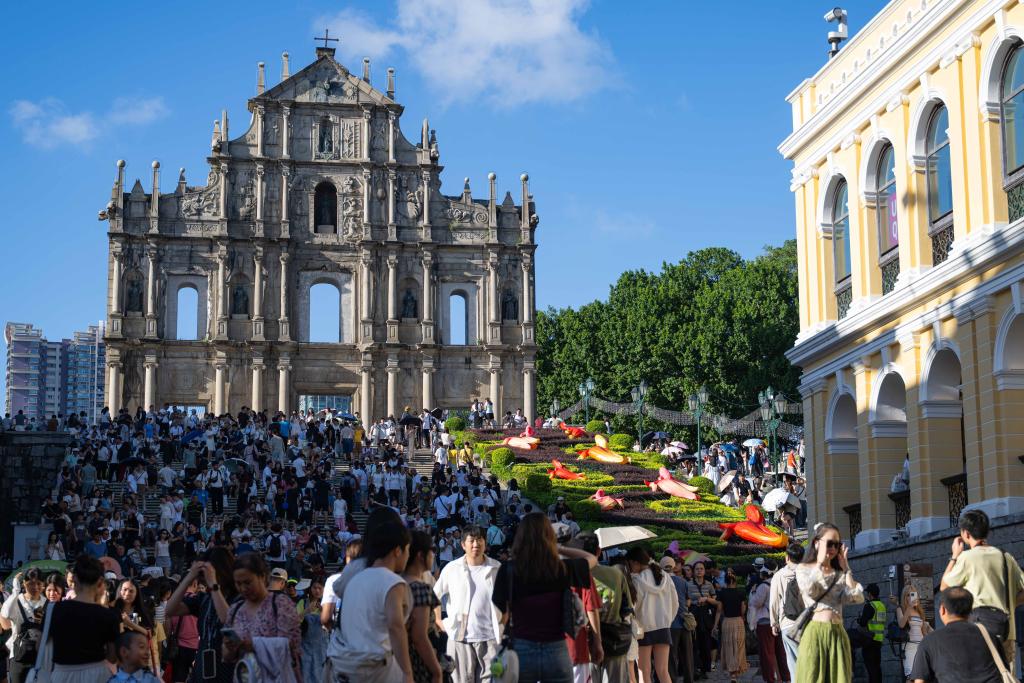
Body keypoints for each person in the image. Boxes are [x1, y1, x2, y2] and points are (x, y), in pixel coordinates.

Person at [491, 512, 598, 683]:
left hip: (521, 649)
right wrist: (559, 548)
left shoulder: (509, 570)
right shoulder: (560, 568)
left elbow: (502, 616)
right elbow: (591, 559)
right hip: (557, 649)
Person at [940, 508, 1024, 667]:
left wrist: (955, 556)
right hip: (1007, 631)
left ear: (965, 534)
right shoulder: (1006, 557)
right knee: (1005, 675)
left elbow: (945, 586)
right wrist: (1010, 604)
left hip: (977, 631)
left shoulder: (967, 558)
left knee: (980, 674)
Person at [334, 520, 415, 683]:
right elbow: (395, 627)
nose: (408, 556)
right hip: (375, 668)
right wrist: (407, 672)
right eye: (407, 550)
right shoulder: (393, 582)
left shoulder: (355, 579)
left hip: (344, 664)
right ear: (397, 551)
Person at [793, 522, 864, 683]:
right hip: (815, 632)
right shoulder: (804, 568)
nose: (833, 548)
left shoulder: (838, 573)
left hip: (838, 632)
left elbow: (855, 597)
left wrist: (846, 569)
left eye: (837, 544)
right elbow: (810, 591)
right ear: (816, 543)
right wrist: (819, 564)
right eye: (829, 543)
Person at [433, 525, 502, 683]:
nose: (476, 544)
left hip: (491, 639)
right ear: (463, 544)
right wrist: (438, 620)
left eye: (480, 540)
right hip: (460, 638)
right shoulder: (452, 568)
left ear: (485, 543)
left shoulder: (496, 568)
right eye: (471, 541)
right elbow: (434, 595)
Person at [221, 552, 302, 681]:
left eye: (248, 582)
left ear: (262, 577)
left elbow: (291, 646)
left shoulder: (281, 604)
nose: (243, 588)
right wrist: (230, 647)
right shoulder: (235, 609)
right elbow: (226, 656)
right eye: (238, 583)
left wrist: (253, 644)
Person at [43, 554, 122, 683]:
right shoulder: (109, 616)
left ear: (74, 578)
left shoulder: (54, 610)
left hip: (62, 674)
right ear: (100, 582)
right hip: (97, 674)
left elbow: (40, 645)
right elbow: (113, 657)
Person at [165, 548, 238, 683]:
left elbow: (228, 619)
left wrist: (214, 584)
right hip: (202, 670)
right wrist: (189, 577)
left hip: (227, 670)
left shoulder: (238, 598)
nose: (204, 579)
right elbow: (169, 610)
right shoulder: (204, 599)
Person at [910, 586, 1004, 683]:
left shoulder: (929, 641)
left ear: (943, 610)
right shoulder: (989, 637)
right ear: (970, 610)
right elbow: (1003, 672)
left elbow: (920, 681)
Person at [576, 533, 634, 683]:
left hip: (584, 643)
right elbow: (627, 608)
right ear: (599, 551)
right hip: (614, 641)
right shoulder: (616, 574)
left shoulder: (573, 576)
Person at [626, 547, 677, 683]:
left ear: (635, 562)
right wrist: (668, 621)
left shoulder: (636, 580)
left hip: (643, 629)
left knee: (644, 672)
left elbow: (634, 607)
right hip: (663, 627)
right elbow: (675, 602)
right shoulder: (665, 576)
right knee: (663, 671)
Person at [403, 530, 445, 683]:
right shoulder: (420, 589)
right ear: (421, 555)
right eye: (432, 551)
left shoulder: (396, 583)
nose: (433, 555)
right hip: (419, 662)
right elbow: (419, 637)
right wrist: (437, 671)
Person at [1, 568, 47, 683]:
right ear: (24, 583)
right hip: (19, 656)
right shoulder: (17, 600)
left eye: (39, 583)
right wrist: (15, 591)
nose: (35, 587)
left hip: (40, 657)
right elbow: (6, 613)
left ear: (43, 585)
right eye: (31, 583)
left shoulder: (46, 602)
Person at [769, 542, 804, 679]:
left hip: (788, 623)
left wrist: (774, 623)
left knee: (794, 665)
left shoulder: (779, 576)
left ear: (787, 557)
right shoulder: (810, 573)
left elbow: (774, 601)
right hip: (808, 623)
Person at [749, 567, 788, 683]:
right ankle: (786, 678)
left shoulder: (763, 586)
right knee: (781, 652)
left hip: (765, 622)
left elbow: (756, 603)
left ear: (763, 573)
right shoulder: (781, 582)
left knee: (767, 653)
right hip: (781, 622)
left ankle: (770, 679)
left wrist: (753, 592)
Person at [687, 561, 719, 679]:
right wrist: (695, 602)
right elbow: (686, 600)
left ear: (705, 571)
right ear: (693, 571)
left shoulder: (709, 585)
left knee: (706, 643)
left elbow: (716, 601)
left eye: (701, 569)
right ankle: (696, 669)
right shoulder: (688, 584)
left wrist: (706, 599)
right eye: (697, 569)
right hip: (694, 614)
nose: (699, 571)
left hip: (706, 616)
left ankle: (705, 669)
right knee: (694, 643)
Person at [715, 572, 747, 683]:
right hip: (738, 621)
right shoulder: (741, 592)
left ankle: (732, 674)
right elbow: (743, 609)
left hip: (727, 622)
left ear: (726, 581)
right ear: (735, 580)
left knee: (729, 646)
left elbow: (719, 610)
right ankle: (737, 669)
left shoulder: (722, 593)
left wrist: (715, 625)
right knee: (739, 645)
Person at [855, 583, 885, 683]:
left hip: (869, 641)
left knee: (871, 669)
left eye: (867, 593)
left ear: (870, 594)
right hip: (878, 641)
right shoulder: (881, 606)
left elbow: (863, 622)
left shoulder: (869, 606)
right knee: (877, 668)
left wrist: (859, 619)